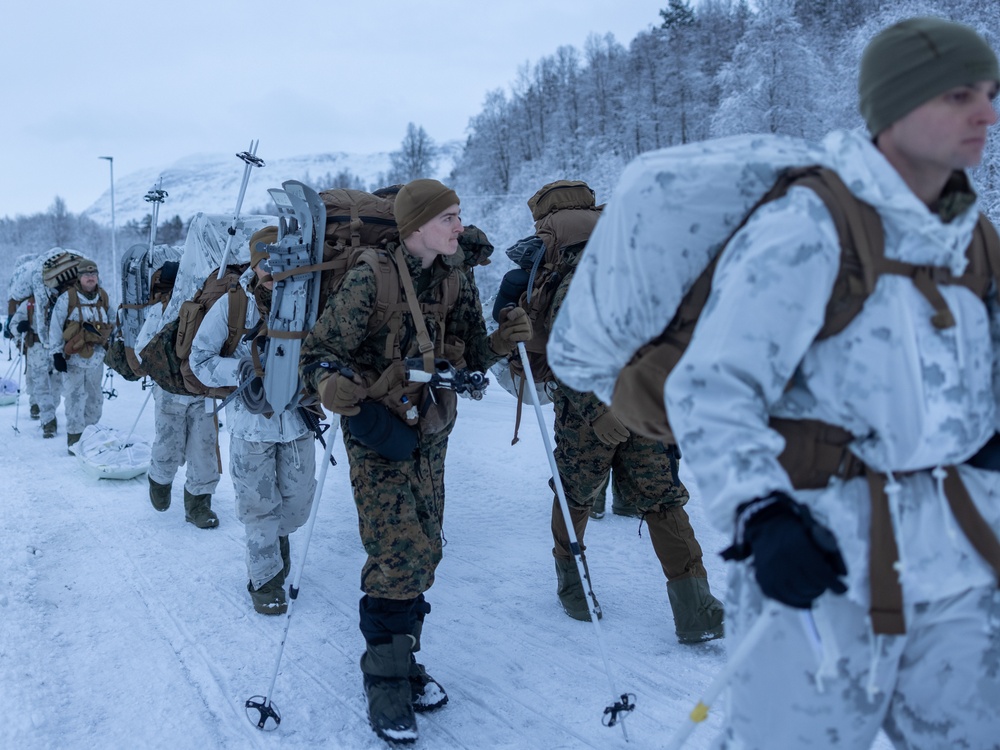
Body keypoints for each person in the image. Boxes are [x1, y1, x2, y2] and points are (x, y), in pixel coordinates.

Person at [664, 17, 1000, 748]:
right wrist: (762, 515)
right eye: (957, 94)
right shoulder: (808, 227)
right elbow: (713, 388)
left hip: (959, 561)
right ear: (895, 106)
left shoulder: (972, 234)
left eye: (990, 91)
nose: (986, 113)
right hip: (821, 558)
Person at [300, 179, 531, 744]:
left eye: (458, 215)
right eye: (449, 217)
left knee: (425, 548)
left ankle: (404, 662)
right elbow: (319, 352)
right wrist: (330, 385)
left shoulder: (455, 278)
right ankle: (384, 683)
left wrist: (504, 340)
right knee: (397, 552)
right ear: (417, 226)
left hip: (430, 430)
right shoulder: (369, 276)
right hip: (378, 431)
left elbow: (473, 351)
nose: (459, 226)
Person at [536, 186, 723, 643]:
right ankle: (695, 609)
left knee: (576, 495)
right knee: (661, 499)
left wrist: (599, 412)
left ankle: (574, 589)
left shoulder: (572, 271)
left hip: (591, 415)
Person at [189, 227, 316, 613]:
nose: (272, 271)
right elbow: (201, 359)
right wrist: (242, 371)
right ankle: (266, 581)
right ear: (254, 263)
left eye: (280, 261)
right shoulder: (234, 305)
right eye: (265, 263)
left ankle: (278, 544)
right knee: (258, 507)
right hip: (249, 425)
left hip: (297, 423)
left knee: (296, 507)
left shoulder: (310, 299)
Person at [47, 260, 111, 452]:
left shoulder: (104, 297)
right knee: (74, 398)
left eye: (93, 274)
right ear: (79, 278)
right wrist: (56, 354)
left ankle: (90, 435)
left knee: (95, 399)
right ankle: (74, 439)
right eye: (86, 275)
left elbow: (115, 321)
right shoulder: (67, 299)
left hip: (96, 359)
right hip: (73, 360)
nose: (90, 278)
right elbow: (56, 327)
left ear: (98, 276)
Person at [11, 287, 63, 436]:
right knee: (40, 384)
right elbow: (14, 324)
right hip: (37, 348)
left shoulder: (62, 300)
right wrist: (20, 328)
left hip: (57, 347)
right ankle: (48, 421)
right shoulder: (29, 303)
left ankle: (50, 409)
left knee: (57, 384)